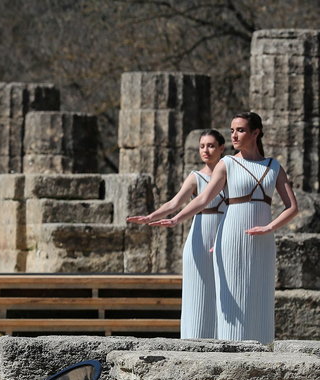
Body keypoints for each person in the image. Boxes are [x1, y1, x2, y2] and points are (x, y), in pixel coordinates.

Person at [151, 112, 299, 344]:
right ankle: (229, 358)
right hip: (230, 237)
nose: (234, 135)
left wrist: (269, 227)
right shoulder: (227, 163)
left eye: (240, 130)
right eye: (232, 130)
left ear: (255, 133)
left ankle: (261, 359)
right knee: (232, 303)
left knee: (260, 298)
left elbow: (292, 207)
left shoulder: (274, 166)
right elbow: (202, 200)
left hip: (262, 241)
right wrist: (176, 219)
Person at [127, 130, 227, 338]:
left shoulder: (231, 174)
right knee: (199, 292)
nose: (205, 150)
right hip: (200, 235)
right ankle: (195, 339)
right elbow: (174, 203)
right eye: (202, 146)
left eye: (210, 146)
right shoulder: (196, 177)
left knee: (225, 290)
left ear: (221, 149)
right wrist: (151, 217)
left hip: (226, 234)